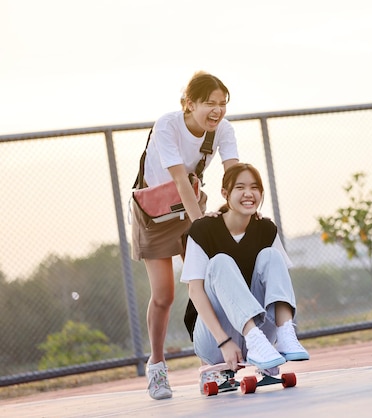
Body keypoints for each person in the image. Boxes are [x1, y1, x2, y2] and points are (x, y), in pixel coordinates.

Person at [130, 71, 239, 400]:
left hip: (192, 205)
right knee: (164, 295)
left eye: (223, 104)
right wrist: (203, 227)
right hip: (156, 212)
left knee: (208, 285)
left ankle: (217, 365)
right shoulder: (168, 125)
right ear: (189, 104)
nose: (218, 110)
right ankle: (157, 367)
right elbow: (178, 178)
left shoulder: (223, 129)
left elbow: (233, 172)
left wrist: (241, 207)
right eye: (210, 103)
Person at [179, 163, 309, 393]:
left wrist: (278, 335)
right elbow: (195, 291)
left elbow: (278, 283)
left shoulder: (266, 229)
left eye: (255, 187)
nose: (249, 193)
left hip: (262, 335)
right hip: (215, 338)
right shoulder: (203, 229)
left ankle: (286, 333)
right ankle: (254, 340)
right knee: (220, 262)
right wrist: (223, 342)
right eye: (240, 187)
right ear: (225, 194)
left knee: (272, 256)